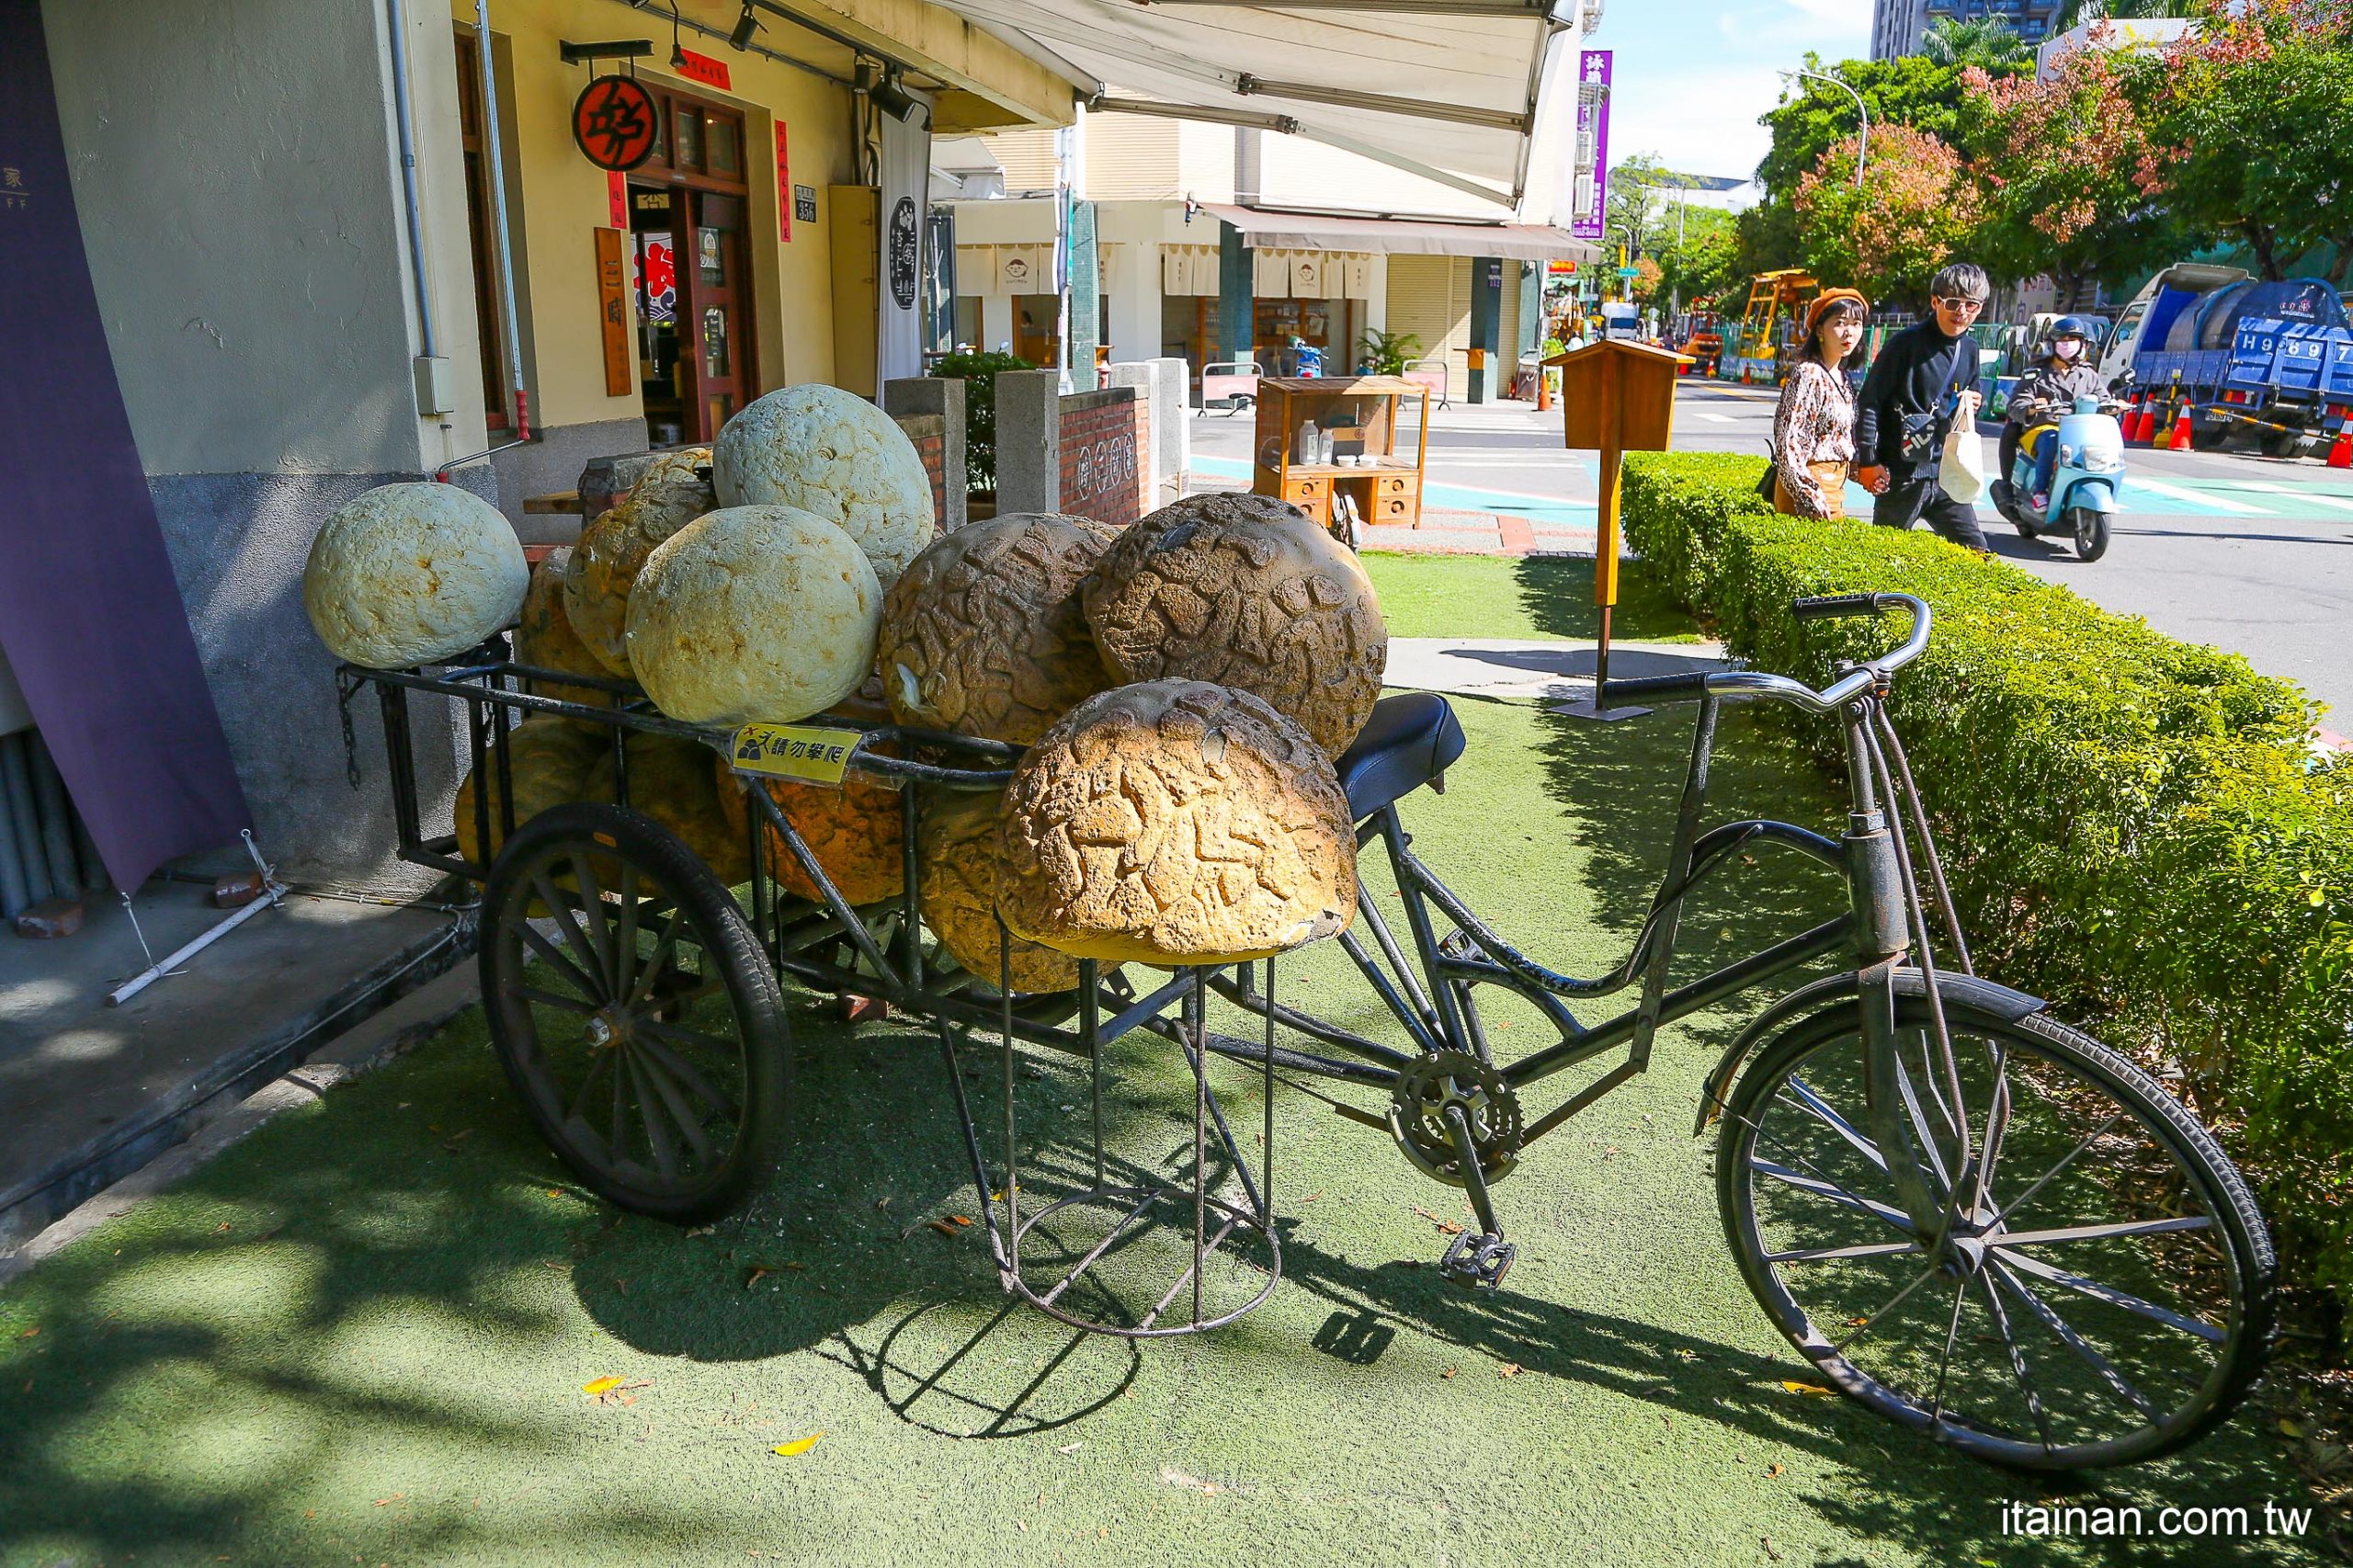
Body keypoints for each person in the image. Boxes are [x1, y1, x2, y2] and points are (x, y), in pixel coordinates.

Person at [1852, 262, 1992, 552]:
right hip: (1902, 474)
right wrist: (1868, 459)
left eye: (1972, 305)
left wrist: (1971, 402)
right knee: (1885, 556)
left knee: (1978, 553)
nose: (1962, 312)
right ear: (1935, 301)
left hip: (1947, 473)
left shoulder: (1969, 349)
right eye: (1953, 303)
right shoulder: (1904, 344)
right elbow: (1869, 401)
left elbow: (1971, 391)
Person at [1772, 288, 1870, 520]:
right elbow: (1788, 440)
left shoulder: (1842, 377)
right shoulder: (1809, 374)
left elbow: (1839, 438)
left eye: (1856, 324)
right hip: (1812, 483)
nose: (1849, 333)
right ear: (1819, 330)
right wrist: (1808, 493)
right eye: (1840, 323)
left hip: (1835, 484)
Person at [2001, 316, 2115, 512]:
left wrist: (2114, 405)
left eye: (2074, 340)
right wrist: (2032, 407)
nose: (2068, 344)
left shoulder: (2088, 375)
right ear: (2052, 345)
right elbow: (2016, 403)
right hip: (2042, 428)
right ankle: (2040, 492)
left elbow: (2103, 399)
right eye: (2063, 340)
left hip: (2080, 430)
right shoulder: (2036, 373)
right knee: (2051, 440)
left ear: (2083, 345)